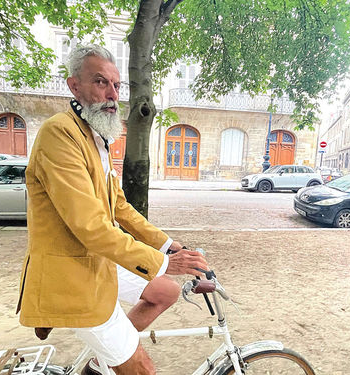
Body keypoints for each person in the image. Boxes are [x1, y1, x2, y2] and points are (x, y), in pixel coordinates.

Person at [16, 44, 208, 375]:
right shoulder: (60, 134)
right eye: (100, 82)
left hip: (96, 260)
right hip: (73, 275)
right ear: (74, 85)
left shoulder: (95, 137)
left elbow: (119, 206)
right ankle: (114, 355)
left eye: (117, 86)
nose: (112, 94)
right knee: (143, 369)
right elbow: (89, 225)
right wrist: (163, 262)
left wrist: (167, 245)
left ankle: (97, 363)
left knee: (166, 290)